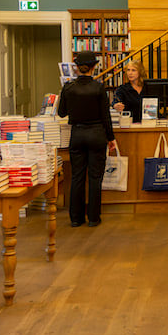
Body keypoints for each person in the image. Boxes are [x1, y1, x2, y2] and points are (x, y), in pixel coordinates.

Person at [57, 51, 115, 228]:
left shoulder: (68, 87)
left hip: (78, 134)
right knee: (95, 178)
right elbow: (106, 116)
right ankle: (93, 218)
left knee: (77, 176)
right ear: (94, 66)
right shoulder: (99, 88)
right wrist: (110, 138)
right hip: (97, 133)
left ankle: (76, 218)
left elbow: (61, 113)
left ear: (76, 68)